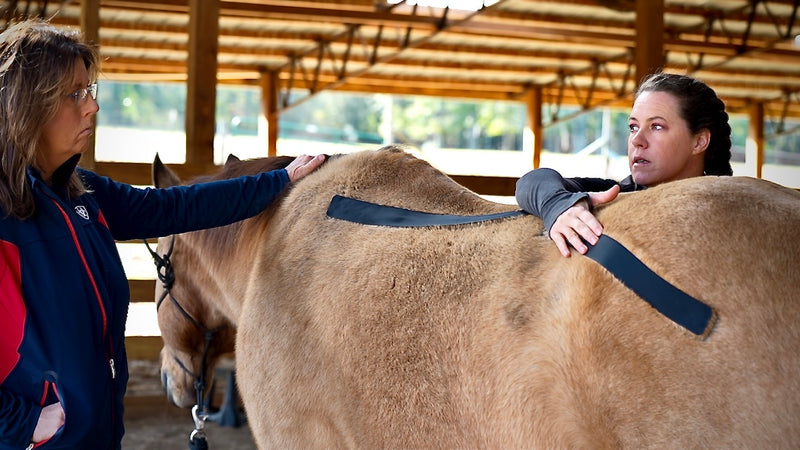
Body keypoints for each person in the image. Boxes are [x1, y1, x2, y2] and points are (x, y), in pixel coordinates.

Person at [0, 19, 325, 449]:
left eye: (89, 91)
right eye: (74, 94)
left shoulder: (84, 193)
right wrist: (21, 424)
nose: (92, 106)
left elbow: (176, 206)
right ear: (29, 107)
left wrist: (277, 181)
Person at [515, 72, 732, 257]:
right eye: (633, 127)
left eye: (656, 126)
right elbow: (531, 182)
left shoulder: (733, 214)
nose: (637, 140)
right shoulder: (613, 194)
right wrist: (559, 205)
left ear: (699, 141)